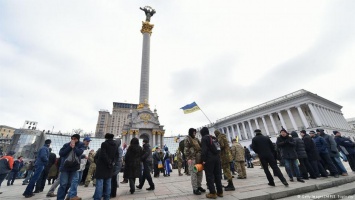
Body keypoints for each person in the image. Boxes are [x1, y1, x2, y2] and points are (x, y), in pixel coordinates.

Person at [57, 134, 85, 200]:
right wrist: (70, 147)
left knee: (69, 184)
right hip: (65, 167)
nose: (73, 140)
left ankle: (68, 196)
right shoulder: (66, 145)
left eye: (75, 138)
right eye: (72, 138)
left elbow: (79, 153)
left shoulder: (81, 145)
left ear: (78, 139)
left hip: (74, 167)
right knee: (63, 184)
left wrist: (74, 147)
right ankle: (60, 198)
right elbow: (61, 153)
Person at [93, 133, 118, 200]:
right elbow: (116, 155)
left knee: (99, 184)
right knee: (108, 183)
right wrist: (112, 162)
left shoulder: (104, 144)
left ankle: (97, 198)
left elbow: (103, 154)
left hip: (102, 166)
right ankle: (107, 198)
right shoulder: (115, 145)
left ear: (106, 138)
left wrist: (108, 162)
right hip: (110, 167)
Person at [200, 127, 223, 199]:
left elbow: (204, 150)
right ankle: (220, 192)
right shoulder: (213, 138)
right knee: (217, 175)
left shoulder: (204, 138)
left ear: (202, 133)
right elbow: (219, 148)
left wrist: (203, 159)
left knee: (209, 175)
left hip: (209, 159)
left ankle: (212, 192)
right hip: (217, 158)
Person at [184, 128, 205, 195]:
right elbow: (186, 149)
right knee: (194, 173)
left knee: (200, 173)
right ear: (190, 132)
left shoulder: (196, 139)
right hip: (192, 158)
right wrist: (188, 158)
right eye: (193, 132)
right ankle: (195, 188)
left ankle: (199, 186)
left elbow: (201, 146)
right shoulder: (188, 139)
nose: (194, 134)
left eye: (195, 132)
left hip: (199, 158)